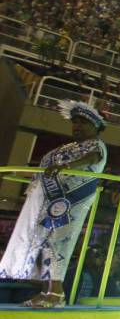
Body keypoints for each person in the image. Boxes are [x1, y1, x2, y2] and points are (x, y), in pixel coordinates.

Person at [0, 100, 108, 307]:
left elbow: (91, 159)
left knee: (58, 243)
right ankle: (46, 291)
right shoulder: (66, 147)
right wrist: (20, 172)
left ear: (95, 125)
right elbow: (45, 172)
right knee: (43, 243)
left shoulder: (96, 146)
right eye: (74, 122)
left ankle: (56, 294)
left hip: (71, 202)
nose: (77, 126)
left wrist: (67, 165)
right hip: (50, 200)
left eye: (83, 122)